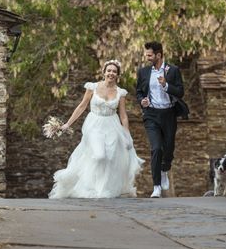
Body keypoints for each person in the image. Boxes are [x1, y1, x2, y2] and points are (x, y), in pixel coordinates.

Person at [49, 60, 144, 199]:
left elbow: (123, 115)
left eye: (114, 71)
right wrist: (67, 124)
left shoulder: (121, 93)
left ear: (117, 75)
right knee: (99, 155)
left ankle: (102, 189)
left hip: (112, 124)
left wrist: (127, 134)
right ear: (104, 72)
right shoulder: (92, 87)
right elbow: (81, 106)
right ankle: (87, 186)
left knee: (110, 157)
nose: (111, 73)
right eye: (109, 70)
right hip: (94, 124)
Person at [136, 41, 186, 198]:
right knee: (156, 148)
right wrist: (142, 101)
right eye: (146, 55)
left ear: (158, 55)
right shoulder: (143, 72)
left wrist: (166, 85)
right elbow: (138, 92)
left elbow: (180, 92)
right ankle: (156, 186)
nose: (147, 57)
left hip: (169, 114)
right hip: (151, 115)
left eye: (150, 55)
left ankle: (165, 169)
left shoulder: (173, 70)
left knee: (168, 148)